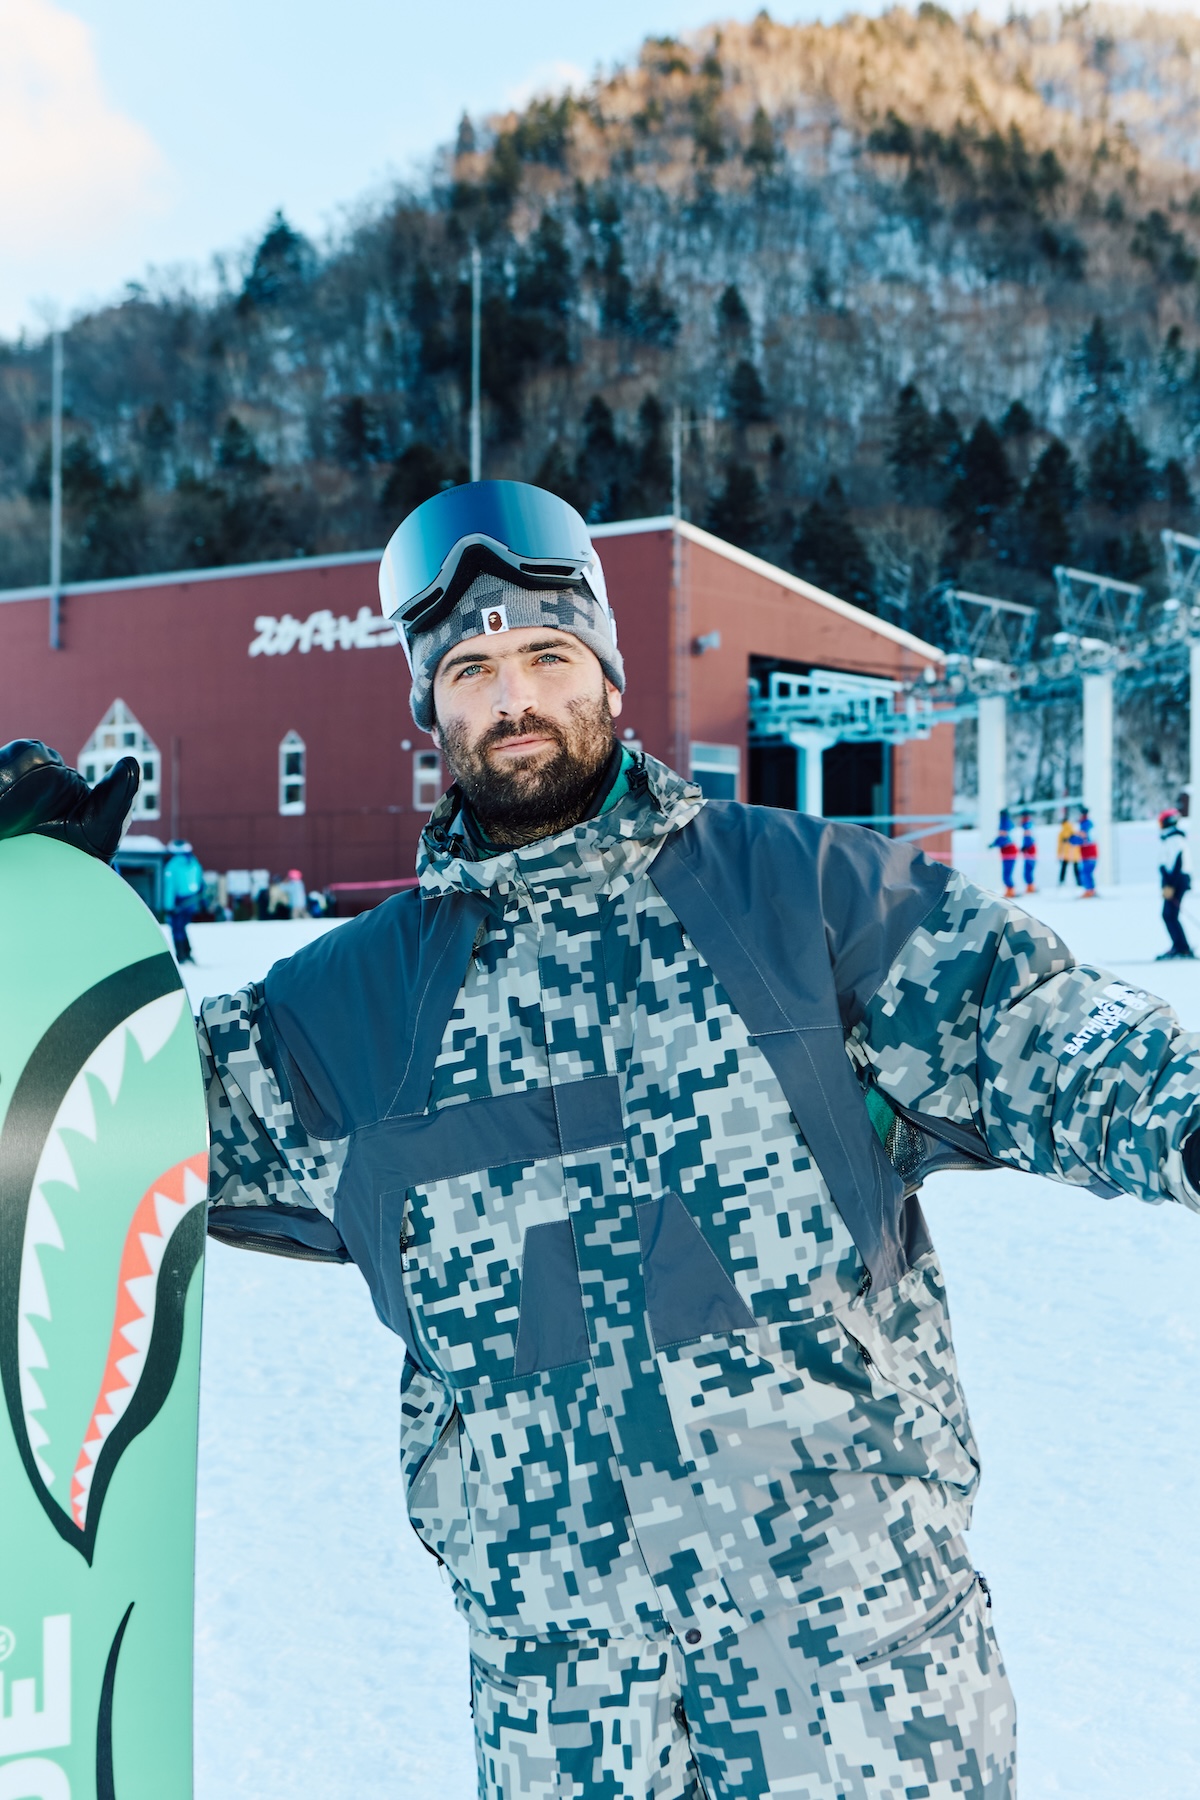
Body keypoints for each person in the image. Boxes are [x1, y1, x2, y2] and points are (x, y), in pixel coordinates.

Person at [6, 480, 1200, 1800]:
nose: (510, 696)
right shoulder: (353, 1006)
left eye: (544, 656)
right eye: (469, 669)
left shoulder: (799, 896)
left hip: (860, 1693)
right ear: (430, 708)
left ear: (610, 673)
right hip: (570, 1717)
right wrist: (46, 930)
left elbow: (1032, 1026)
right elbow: (100, 1103)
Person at [1158, 807, 1194, 960]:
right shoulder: (1172, 838)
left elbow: (1176, 864)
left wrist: (1169, 886)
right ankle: (1180, 946)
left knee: (1169, 915)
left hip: (1176, 882)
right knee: (1170, 915)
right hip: (1176, 881)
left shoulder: (1174, 839)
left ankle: (1182, 947)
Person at [162, 836, 205, 963]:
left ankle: (181, 955)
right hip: (192, 901)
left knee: (177, 928)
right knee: (183, 927)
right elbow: (200, 881)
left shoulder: (172, 865)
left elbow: (170, 887)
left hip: (178, 903)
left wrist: (168, 906)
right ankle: (187, 953)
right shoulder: (193, 862)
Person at [988, 807, 1018, 896]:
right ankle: (1009, 889)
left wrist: (995, 844)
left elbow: (1004, 839)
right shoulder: (1004, 823)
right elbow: (1000, 838)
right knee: (1006, 873)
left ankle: (1011, 890)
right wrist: (994, 844)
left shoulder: (1006, 824)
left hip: (1009, 853)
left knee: (1007, 873)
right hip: (1006, 853)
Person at [1075, 806, 1099, 897]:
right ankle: (1091, 890)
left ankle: (1089, 890)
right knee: (1087, 872)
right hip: (1088, 854)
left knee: (1085, 872)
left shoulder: (1086, 825)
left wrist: (1075, 840)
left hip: (1089, 854)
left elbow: (1086, 839)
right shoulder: (1086, 824)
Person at [1056, 807, 1080, 885]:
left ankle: (1061, 881)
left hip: (1066, 854)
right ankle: (1079, 882)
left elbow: (1060, 845)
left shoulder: (1062, 832)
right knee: (1076, 869)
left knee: (1064, 869)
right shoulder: (1073, 829)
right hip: (1075, 853)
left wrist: (1059, 855)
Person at [1018, 809, 1037, 894]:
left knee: (1028, 870)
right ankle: (1030, 886)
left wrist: (1026, 847)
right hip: (1029, 851)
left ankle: (1031, 887)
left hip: (1030, 851)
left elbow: (1029, 838)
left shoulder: (1027, 825)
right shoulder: (1028, 825)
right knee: (1027, 870)